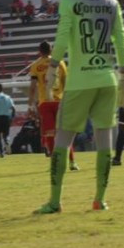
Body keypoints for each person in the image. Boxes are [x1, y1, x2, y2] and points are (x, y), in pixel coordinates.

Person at [35, 0, 124, 215]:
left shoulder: (70, 2)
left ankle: (55, 201)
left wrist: (53, 68)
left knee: (63, 140)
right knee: (104, 142)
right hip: (107, 79)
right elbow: (121, 43)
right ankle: (100, 199)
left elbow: (63, 37)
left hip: (80, 81)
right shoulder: (112, 3)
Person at [28, 42, 78, 170]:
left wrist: (30, 104)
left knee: (49, 133)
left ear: (39, 51)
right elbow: (66, 83)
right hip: (60, 101)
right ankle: (72, 162)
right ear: (51, 50)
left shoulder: (35, 66)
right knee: (64, 133)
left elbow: (33, 86)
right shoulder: (60, 63)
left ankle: (55, 164)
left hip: (45, 102)